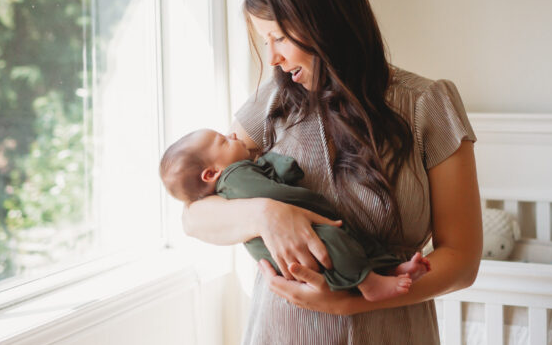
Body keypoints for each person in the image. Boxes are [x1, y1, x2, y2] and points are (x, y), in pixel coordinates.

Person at [181, 0, 482, 345]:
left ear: (325, 21)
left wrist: (351, 305)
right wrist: (266, 212)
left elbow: (463, 259)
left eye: (278, 37)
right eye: (265, 43)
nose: (274, 58)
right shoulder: (273, 105)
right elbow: (195, 214)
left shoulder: (428, 105)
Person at [160, 128, 432, 301]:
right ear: (211, 174)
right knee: (336, 244)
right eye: (223, 140)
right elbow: (192, 218)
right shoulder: (236, 177)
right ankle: (369, 283)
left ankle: (388, 269)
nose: (232, 134)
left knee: (349, 242)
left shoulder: (238, 172)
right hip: (296, 257)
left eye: (280, 39)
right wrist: (273, 211)